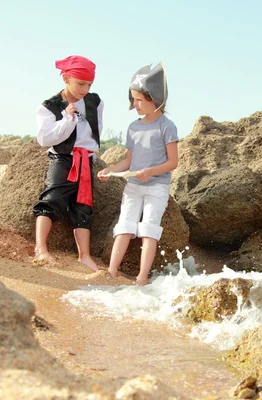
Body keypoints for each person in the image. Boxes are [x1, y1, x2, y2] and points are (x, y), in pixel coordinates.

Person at [97, 63, 179, 285]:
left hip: (157, 187)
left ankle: (142, 277)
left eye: (140, 100)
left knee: (149, 229)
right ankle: (111, 271)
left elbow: (173, 162)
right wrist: (110, 169)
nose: (135, 104)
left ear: (156, 98)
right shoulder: (133, 127)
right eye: (133, 99)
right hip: (133, 187)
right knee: (124, 225)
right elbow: (128, 161)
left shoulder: (167, 127)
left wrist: (151, 171)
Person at [32, 55, 102, 272]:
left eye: (89, 84)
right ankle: (40, 248)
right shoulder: (50, 106)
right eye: (81, 83)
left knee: (84, 206)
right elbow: (45, 139)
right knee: (51, 199)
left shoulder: (95, 101)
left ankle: (84, 256)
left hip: (85, 160)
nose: (85, 88)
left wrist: (93, 153)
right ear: (65, 78)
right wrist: (67, 120)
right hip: (62, 158)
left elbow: (94, 130)